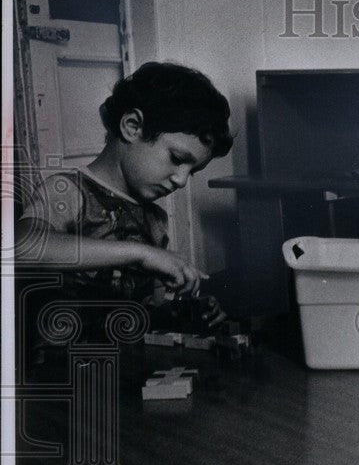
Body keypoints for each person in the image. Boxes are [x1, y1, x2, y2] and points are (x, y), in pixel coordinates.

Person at [16, 62, 233, 346]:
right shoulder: (68, 190)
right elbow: (22, 246)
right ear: (132, 127)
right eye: (177, 159)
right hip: (53, 371)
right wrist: (140, 253)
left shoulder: (154, 220)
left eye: (192, 171)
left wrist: (185, 311)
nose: (181, 181)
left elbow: (144, 311)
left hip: (122, 373)